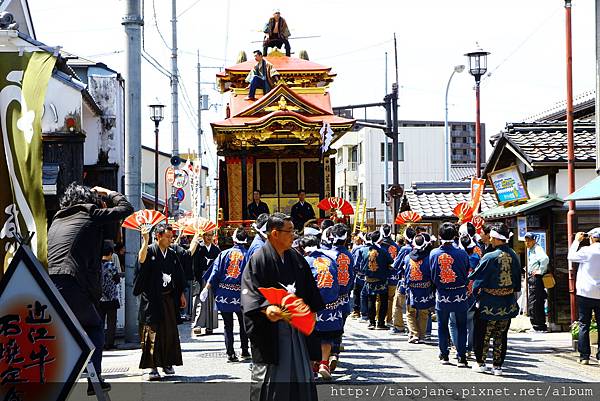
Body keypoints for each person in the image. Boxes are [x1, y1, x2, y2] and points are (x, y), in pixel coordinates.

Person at [47, 183, 133, 395]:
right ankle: (95, 380)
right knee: (94, 326)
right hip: (73, 282)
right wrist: (108, 193)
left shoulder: (56, 219)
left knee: (67, 330)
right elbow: (126, 208)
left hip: (49, 284)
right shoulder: (90, 213)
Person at [241, 213, 324, 401]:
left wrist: (310, 313)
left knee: (301, 376)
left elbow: (310, 291)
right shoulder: (259, 259)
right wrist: (265, 308)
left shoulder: (296, 259)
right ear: (274, 233)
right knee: (272, 381)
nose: (293, 235)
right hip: (272, 330)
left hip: (297, 328)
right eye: (289, 231)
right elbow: (250, 291)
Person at [134, 224, 186, 381]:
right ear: (158, 236)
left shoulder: (171, 254)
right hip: (151, 299)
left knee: (169, 332)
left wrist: (181, 294)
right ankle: (152, 366)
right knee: (151, 332)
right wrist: (145, 240)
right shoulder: (149, 250)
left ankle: (167, 362)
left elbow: (178, 275)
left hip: (168, 298)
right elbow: (141, 260)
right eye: (168, 237)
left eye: (171, 237)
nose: (171, 239)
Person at [469, 223, 521, 376]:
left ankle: (481, 363)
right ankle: (497, 366)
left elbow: (476, 278)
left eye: (491, 236)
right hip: (507, 302)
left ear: (497, 238)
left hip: (488, 303)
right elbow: (517, 281)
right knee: (501, 335)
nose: (489, 238)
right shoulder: (514, 255)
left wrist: (475, 293)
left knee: (482, 334)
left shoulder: (489, 256)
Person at [203, 228, 250, 362]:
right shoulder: (248, 255)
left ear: (234, 239)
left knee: (227, 324)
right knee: (243, 323)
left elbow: (215, 273)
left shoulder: (223, 254)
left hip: (224, 293)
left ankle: (230, 353)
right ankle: (245, 351)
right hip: (241, 294)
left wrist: (207, 288)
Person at [429, 222, 470, 367]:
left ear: (439, 236)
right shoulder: (462, 253)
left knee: (442, 325)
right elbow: (466, 271)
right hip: (460, 292)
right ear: (454, 236)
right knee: (461, 325)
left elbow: (433, 275)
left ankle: (444, 355)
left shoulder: (434, 254)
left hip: (442, 293)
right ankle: (461, 357)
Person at [301, 235, 341, 380]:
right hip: (331, 303)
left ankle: (312, 367)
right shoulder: (331, 260)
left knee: (312, 336)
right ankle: (324, 363)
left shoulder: (305, 261)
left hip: (314, 304)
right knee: (327, 335)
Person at [567, 229, 600, 365]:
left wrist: (576, 241)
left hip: (585, 293)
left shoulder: (587, 250)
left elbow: (571, 256)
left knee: (584, 324)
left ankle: (584, 356)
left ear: (591, 238)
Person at [449, 232, 481, 357]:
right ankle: (469, 348)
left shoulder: (455, 258)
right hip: (472, 293)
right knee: (470, 322)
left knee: (453, 322)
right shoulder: (476, 258)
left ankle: (458, 348)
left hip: (456, 292)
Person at [328, 223, 355, 372]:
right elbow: (352, 276)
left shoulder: (326, 255)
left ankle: (325, 356)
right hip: (344, 296)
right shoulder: (349, 255)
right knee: (339, 326)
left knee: (326, 325)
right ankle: (335, 353)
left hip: (329, 297)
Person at [404, 233, 435, 343]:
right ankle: (422, 335)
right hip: (425, 288)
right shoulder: (430, 257)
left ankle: (414, 334)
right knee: (423, 313)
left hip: (412, 288)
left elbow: (404, 272)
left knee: (410, 313)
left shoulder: (408, 257)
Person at [359, 230, 393, 329]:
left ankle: (371, 322)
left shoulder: (364, 250)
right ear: (380, 240)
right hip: (381, 279)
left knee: (371, 300)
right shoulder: (383, 251)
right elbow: (391, 262)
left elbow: (361, 265)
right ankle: (381, 323)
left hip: (369, 279)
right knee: (383, 300)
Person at [191, 230, 221, 335]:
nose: (208, 237)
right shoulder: (199, 248)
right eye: (206, 235)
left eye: (210, 235)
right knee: (200, 300)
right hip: (200, 277)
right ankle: (197, 324)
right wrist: (196, 278)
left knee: (212, 302)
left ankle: (210, 325)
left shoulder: (216, 250)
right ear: (203, 236)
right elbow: (194, 265)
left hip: (212, 278)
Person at [389, 227, 417, 334]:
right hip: (417, 281)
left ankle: (399, 326)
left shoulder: (405, 249)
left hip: (403, 280)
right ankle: (415, 328)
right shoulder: (418, 247)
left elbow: (396, 265)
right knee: (413, 306)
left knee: (398, 304)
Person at [524, 232, 549, 332]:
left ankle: (537, 326)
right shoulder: (532, 249)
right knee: (537, 301)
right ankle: (539, 325)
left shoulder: (537, 248)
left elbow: (545, 259)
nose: (527, 242)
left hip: (536, 278)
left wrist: (540, 270)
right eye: (526, 240)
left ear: (534, 240)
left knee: (534, 302)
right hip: (535, 278)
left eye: (529, 240)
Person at [378, 224, 401, 331]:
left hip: (381, 276)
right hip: (393, 276)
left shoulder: (379, 246)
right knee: (391, 299)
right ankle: (389, 319)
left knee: (379, 298)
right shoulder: (396, 246)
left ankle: (378, 318)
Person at [100, 240, 120, 351]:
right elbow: (117, 279)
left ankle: (101, 342)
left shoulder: (97, 265)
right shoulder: (110, 265)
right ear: (110, 254)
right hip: (111, 298)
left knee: (100, 322)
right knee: (111, 322)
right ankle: (109, 343)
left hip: (100, 298)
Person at [350, 232, 367, 319]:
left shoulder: (358, 249)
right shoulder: (374, 248)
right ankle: (366, 312)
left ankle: (356, 311)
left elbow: (355, 264)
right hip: (369, 276)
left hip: (359, 275)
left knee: (357, 293)